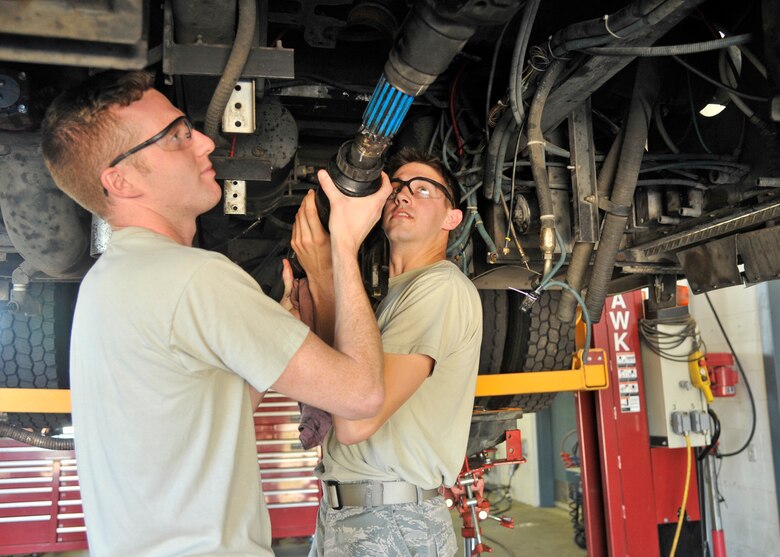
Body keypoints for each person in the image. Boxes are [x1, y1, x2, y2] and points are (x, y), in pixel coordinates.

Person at [40, 70, 391, 557]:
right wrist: (346, 246)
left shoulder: (109, 283)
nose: (204, 142)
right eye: (177, 136)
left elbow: (210, 415)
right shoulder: (191, 278)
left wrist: (275, 333)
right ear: (118, 179)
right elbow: (364, 394)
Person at [291, 148, 483, 556]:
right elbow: (345, 389)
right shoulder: (393, 300)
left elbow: (357, 420)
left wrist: (340, 250)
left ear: (453, 218)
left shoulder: (440, 288)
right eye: (395, 188)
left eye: (423, 189)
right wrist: (321, 283)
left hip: (392, 521)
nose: (403, 195)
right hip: (350, 513)